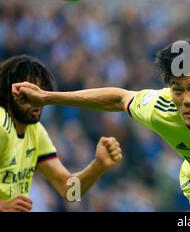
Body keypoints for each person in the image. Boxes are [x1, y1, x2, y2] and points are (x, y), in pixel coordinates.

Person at [13, 41, 190, 212]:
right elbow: (119, 98)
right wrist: (47, 97)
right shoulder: (162, 109)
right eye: (178, 90)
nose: (186, 100)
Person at [0, 55, 122, 212]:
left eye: (41, 92)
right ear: (9, 93)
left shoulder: (35, 131)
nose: (37, 101)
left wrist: (98, 166)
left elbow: (69, 192)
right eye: (29, 93)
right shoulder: (2, 126)